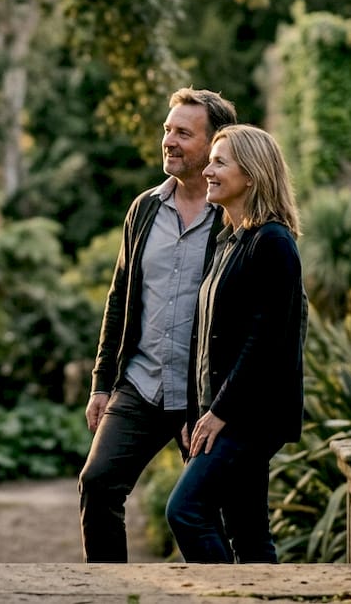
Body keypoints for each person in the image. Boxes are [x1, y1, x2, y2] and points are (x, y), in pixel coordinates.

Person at [78, 88, 238, 562]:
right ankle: (109, 595)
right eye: (167, 130)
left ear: (213, 146)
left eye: (183, 133)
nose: (169, 141)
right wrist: (102, 382)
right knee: (99, 484)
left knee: (208, 513)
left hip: (203, 394)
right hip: (141, 384)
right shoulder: (144, 208)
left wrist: (219, 401)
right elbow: (119, 298)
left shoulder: (233, 218)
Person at [166, 123, 307, 564]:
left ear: (252, 174)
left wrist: (219, 412)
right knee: (248, 530)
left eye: (219, 162)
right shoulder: (230, 241)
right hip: (221, 412)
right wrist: (196, 412)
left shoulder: (273, 243)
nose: (207, 170)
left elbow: (265, 341)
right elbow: (205, 338)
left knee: (186, 511)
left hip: (249, 417)